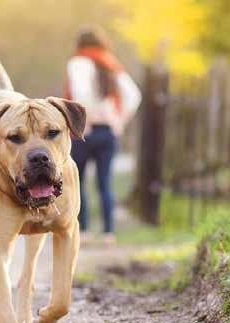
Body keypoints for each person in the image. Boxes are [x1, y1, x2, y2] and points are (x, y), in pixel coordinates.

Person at [64, 26, 141, 244]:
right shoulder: (112, 64)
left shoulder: (78, 62)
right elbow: (134, 95)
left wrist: (83, 119)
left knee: (77, 181)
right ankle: (108, 233)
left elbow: (80, 93)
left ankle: (84, 231)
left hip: (84, 130)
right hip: (108, 131)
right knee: (104, 182)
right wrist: (120, 119)